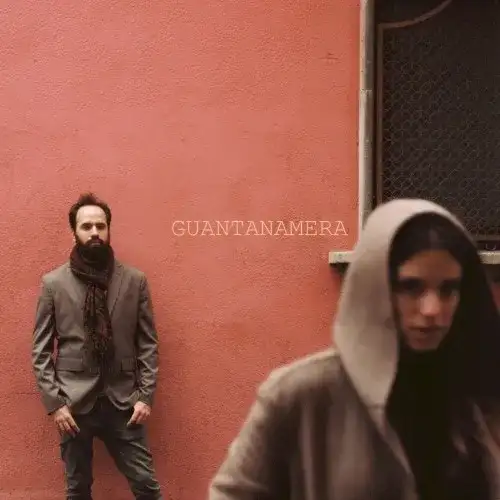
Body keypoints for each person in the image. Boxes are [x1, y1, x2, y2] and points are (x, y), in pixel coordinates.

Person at [208, 198, 500, 500]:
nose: (432, 309)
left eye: (448, 289)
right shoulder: (300, 395)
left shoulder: (478, 394)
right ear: (375, 288)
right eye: (411, 287)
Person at [31, 193, 163, 499]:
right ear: (74, 232)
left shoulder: (134, 281)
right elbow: (40, 350)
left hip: (124, 403)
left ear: (108, 229)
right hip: (73, 404)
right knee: (78, 489)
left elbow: (147, 343)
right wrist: (56, 404)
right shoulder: (53, 284)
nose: (94, 232)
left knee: (146, 485)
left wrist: (145, 397)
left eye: (100, 226)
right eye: (86, 226)